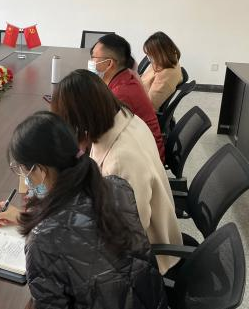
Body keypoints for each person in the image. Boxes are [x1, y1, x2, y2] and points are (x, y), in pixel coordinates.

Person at [0, 111, 167, 309]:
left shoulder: (43, 240)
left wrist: (39, 224)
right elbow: (83, 225)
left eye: (24, 171)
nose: (26, 180)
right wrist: (29, 218)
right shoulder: (117, 186)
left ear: (40, 170)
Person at [51, 69, 182, 274]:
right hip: (132, 230)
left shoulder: (121, 160)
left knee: (54, 262)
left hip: (144, 256)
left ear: (81, 120)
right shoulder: (122, 118)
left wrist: (44, 223)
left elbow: (127, 232)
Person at [89, 33, 165, 162]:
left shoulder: (120, 94)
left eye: (94, 57)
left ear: (109, 63)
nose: (91, 62)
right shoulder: (125, 75)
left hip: (145, 158)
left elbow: (99, 134)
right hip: (140, 147)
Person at [141, 32, 183, 110]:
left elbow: (149, 105)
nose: (149, 58)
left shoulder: (165, 76)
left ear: (161, 53)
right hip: (140, 91)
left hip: (141, 106)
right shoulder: (167, 60)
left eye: (150, 55)